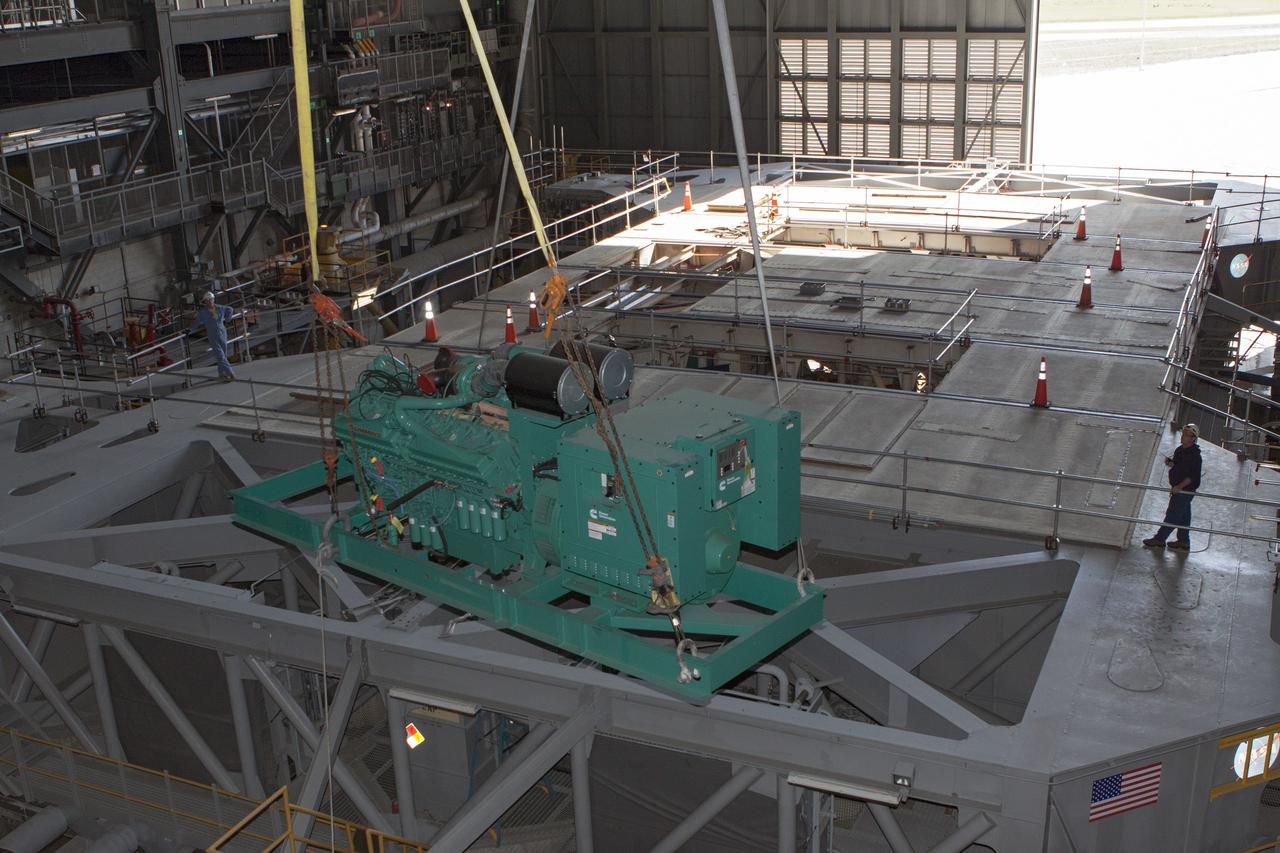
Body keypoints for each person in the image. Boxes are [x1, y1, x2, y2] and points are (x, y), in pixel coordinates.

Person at [1143, 424, 1203, 552]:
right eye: (1183, 434)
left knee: (1173, 515)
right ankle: (1183, 541)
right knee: (1183, 517)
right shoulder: (1180, 450)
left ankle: (1159, 539)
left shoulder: (1195, 456)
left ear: (1193, 438)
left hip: (1184, 491)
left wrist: (1179, 487)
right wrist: (1171, 464)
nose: (1183, 437)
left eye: (1187, 435)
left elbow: (1191, 476)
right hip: (1178, 489)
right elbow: (1179, 466)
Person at [191, 291, 236, 382]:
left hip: (222, 333)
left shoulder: (220, 308)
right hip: (212, 335)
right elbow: (196, 323)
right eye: (208, 300)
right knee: (220, 356)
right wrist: (189, 330)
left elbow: (230, 309)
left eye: (211, 299)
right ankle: (230, 373)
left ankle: (221, 374)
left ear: (213, 299)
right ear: (205, 302)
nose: (210, 301)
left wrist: (228, 319)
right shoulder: (203, 313)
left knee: (223, 354)